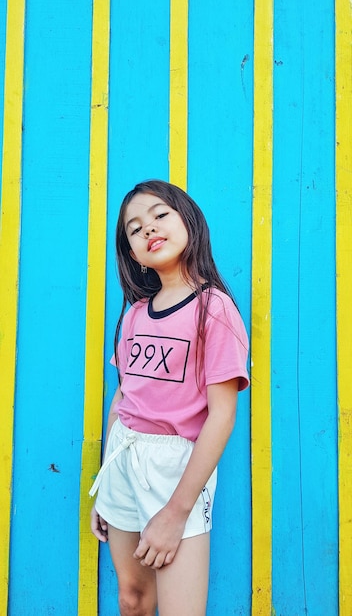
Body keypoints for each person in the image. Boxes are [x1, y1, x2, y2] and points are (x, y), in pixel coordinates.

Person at [90, 180, 249, 616]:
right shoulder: (137, 312)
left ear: (188, 221)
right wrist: (107, 479)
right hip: (123, 457)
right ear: (131, 252)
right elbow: (124, 397)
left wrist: (176, 512)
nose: (149, 230)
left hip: (176, 470)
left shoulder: (214, 309)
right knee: (133, 600)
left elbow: (222, 416)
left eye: (160, 215)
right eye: (134, 228)